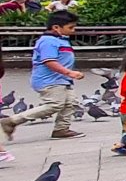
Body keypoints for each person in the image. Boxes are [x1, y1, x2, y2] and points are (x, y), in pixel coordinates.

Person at [0, 9, 84, 147]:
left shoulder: (59, 39)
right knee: (54, 104)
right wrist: (69, 73)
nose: (73, 30)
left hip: (61, 79)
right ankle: (12, 121)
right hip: (50, 80)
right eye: (70, 27)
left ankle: (61, 129)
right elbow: (49, 61)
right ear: (56, 27)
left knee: (70, 103)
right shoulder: (48, 41)